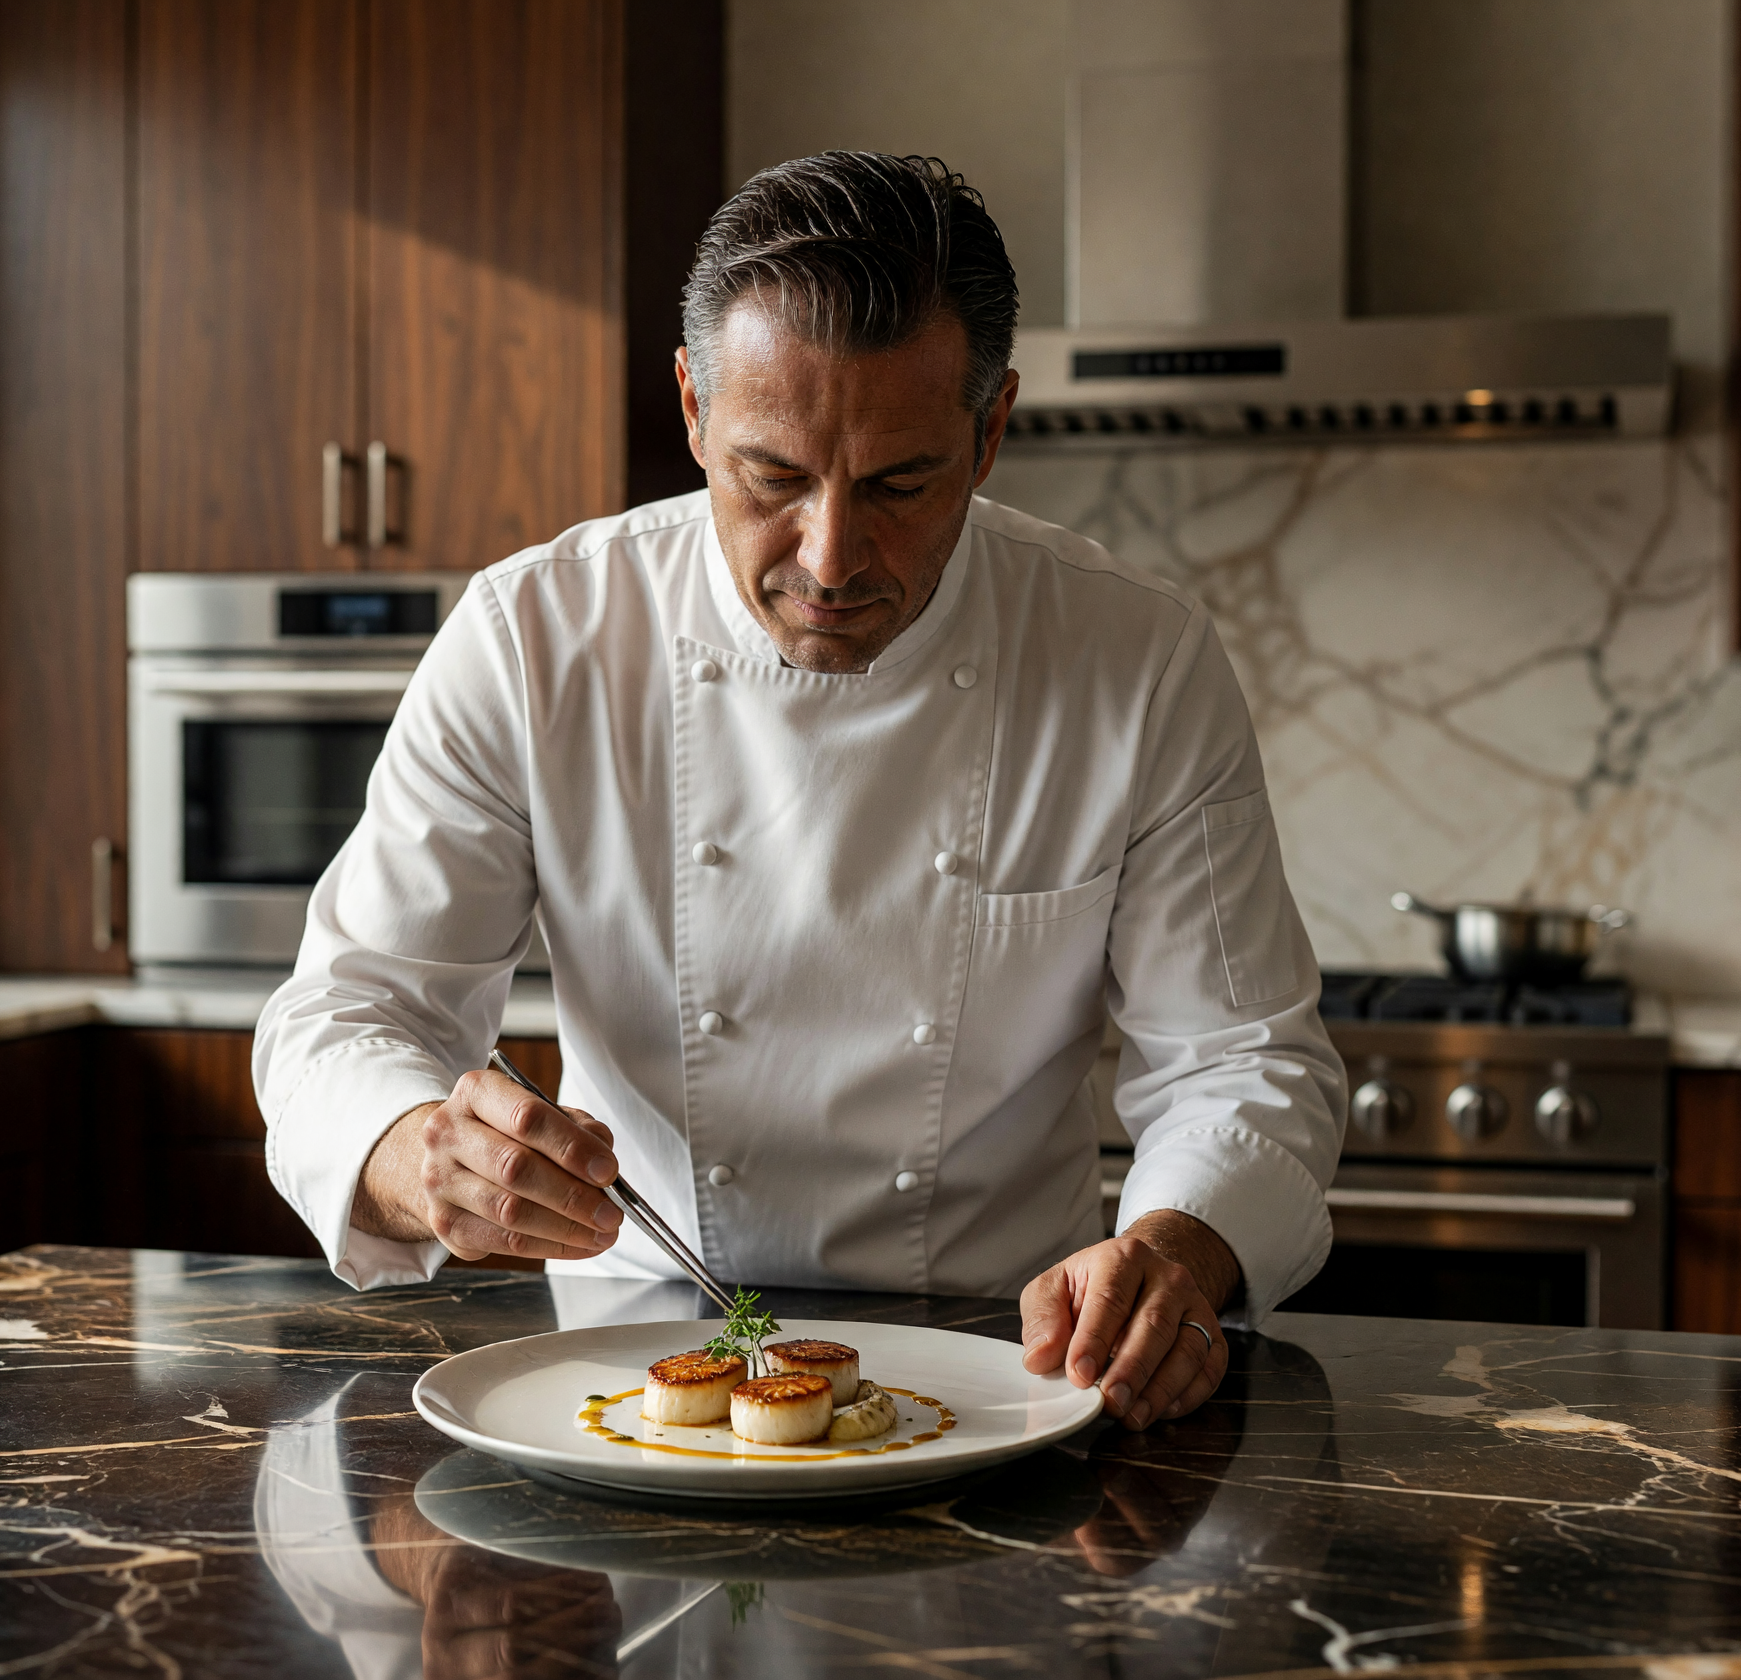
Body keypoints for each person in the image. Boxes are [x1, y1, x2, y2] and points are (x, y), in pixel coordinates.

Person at [254, 151, 1345, 1433]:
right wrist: (411, 1152)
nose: (831, 556)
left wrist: (1175, 1251)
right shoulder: (534, 636)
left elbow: (1242, 1059)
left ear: (990, 432)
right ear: (692, 412)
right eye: (772, 475)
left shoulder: (1133, 657)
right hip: (631, 1381)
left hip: (1016, 1379)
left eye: (899, 483)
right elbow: (345, 1013)